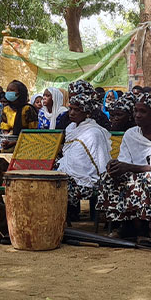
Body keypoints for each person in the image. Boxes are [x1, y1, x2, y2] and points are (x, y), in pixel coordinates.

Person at [96, 93, 151, 240]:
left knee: (146, 179)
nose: (138, 115)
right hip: (134, 174)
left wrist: (128, 168)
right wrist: (115, 166)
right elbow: (124, 159)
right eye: (136, 111)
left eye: (143, 111)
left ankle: (142, 228)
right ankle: (123, 223)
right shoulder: (130, 134)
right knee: (108, 177)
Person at [55, 89, 112, 221]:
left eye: (77, 110)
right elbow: (70, 156)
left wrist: (73, 174)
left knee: (57, 186)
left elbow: (99, 164)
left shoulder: (94, 133)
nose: (72, 113)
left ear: (87, 113)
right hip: (68, 174)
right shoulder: (71, 128)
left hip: (87, 181)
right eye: (70, 109)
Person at [0, 80, 38, 149]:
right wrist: (5, 139)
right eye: (7, 90)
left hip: (26, 142)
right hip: (9, 141)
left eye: (12, 90)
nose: (9, 92)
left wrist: (14, 142)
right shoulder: (6, 109)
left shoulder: (27, 109)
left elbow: (32, 132)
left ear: (19, 93)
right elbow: (5, 128)